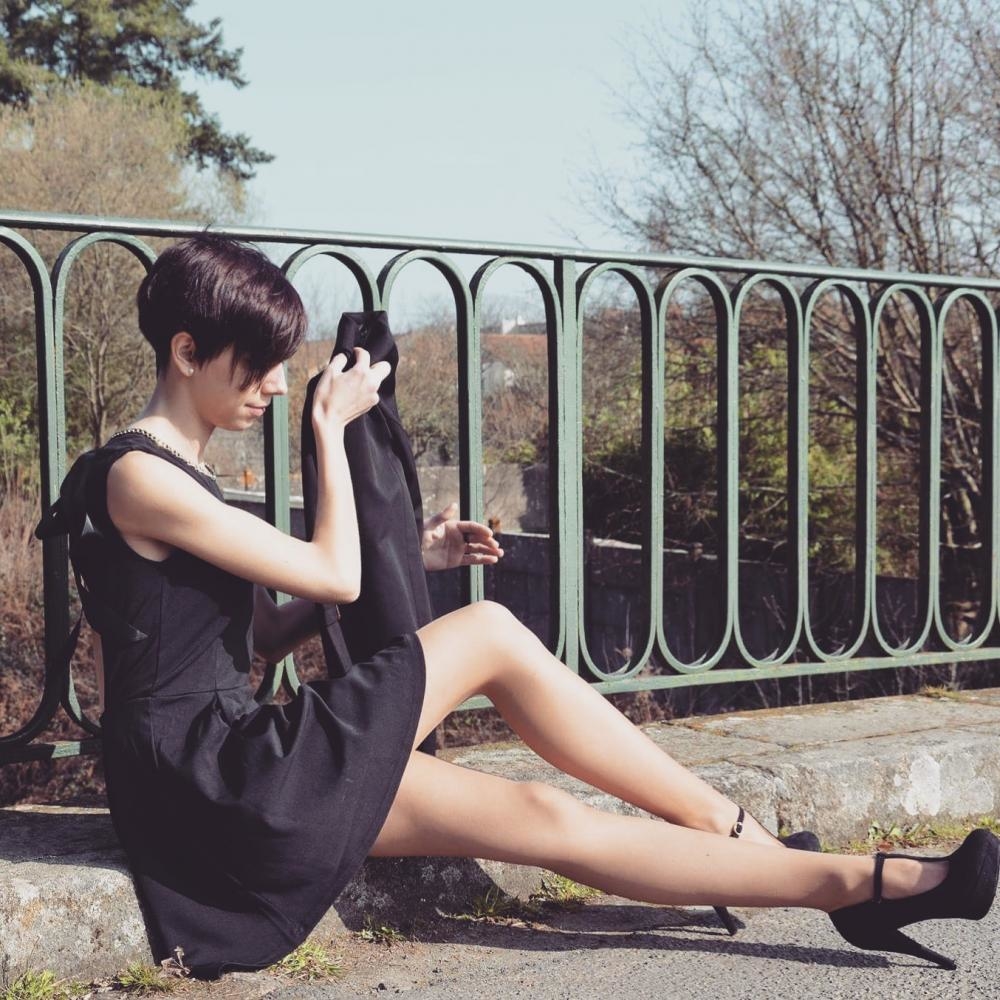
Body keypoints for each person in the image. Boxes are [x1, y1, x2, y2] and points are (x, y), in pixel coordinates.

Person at [57, 234, 998, 978]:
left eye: (280, 366)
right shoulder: (138, 477)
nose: (273, 383)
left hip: (232, 766)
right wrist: (329, 429)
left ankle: (827, 877)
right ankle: (796, 855)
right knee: (490, 633)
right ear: (187, 351)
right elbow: (334, 577)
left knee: (543, 810)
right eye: (258, 364)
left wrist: (411, 552)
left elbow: (261, 633)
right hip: (215, 780)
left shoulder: (172, 476)